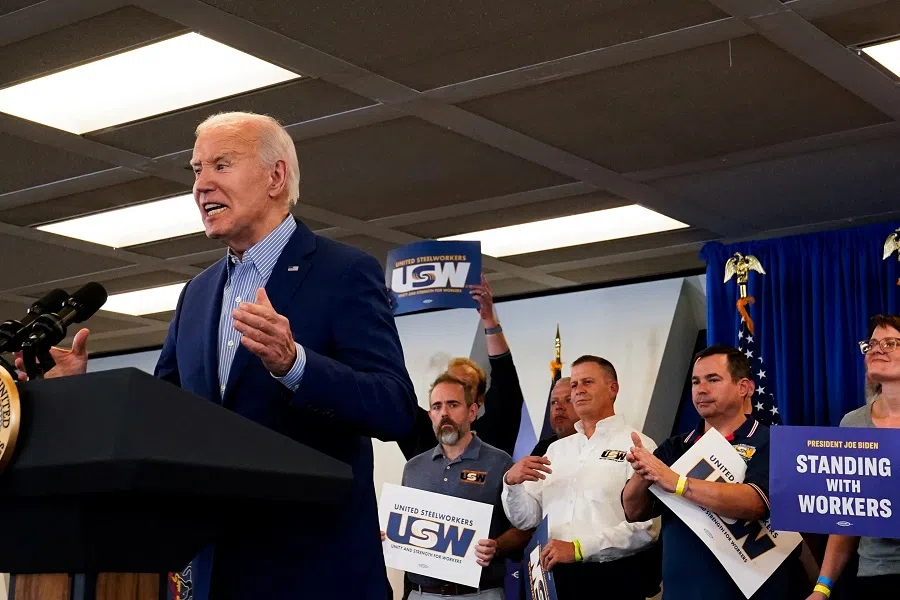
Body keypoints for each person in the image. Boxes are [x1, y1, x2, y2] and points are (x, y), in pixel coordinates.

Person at [22, 111, 417, 600]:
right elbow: (160, 414)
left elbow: (395, 408)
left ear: (276, 177)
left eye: (221, 166)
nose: (200, 185)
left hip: (316, 572)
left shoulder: (344, 272)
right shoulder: (197, 293)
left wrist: (295, 365)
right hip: (216, 574)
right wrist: (81, 394)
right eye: (196, 170)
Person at [622, 345, 804, 600]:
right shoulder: (676, 446)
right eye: (696, 381)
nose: (701, 389)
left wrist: (677, 482)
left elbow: (753, 504)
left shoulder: (773, 441)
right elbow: (633, 511)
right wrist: (642, 469)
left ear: (745, 388)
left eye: (713, 379)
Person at [502, 356, 660, 599]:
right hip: (550, 579)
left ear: (613, 389)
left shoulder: (638, 445)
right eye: (574, 385)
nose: (579, 391)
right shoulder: (556, 450)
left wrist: (578, 549)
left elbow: (646, 528)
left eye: (588, 382)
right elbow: (527, 519)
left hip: (610, 580)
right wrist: (512, 485)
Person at [395, 373, 528, 599]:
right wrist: (391, 537)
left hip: (480, 593)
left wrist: (497, 546)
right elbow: (405, 527)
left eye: (453, 404)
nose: (444, 413)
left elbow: (523, 530)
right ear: (430, 416)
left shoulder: (500, 462)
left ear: (472, 412)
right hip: (422, 594)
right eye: (436, 407)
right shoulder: (413, 468)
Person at [807, 314, 900, 599]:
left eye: (890, 343)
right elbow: (846, 516)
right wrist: (822, 589)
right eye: (871, 344)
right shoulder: (852, 424)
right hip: (874, 576)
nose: (876, 349)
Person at [398, 276, 525, 459]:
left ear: (478, 401)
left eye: (464, 386)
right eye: (438, 404)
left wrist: (489, 320)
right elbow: (396, 391)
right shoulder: (423, 436)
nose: (452, 391)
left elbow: (505, 381)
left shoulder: (495, 432)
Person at [530, 377, 578, 457]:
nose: (558, 407)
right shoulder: (543, 448)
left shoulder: (597, 445)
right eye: (554, 402)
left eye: (568, 400)